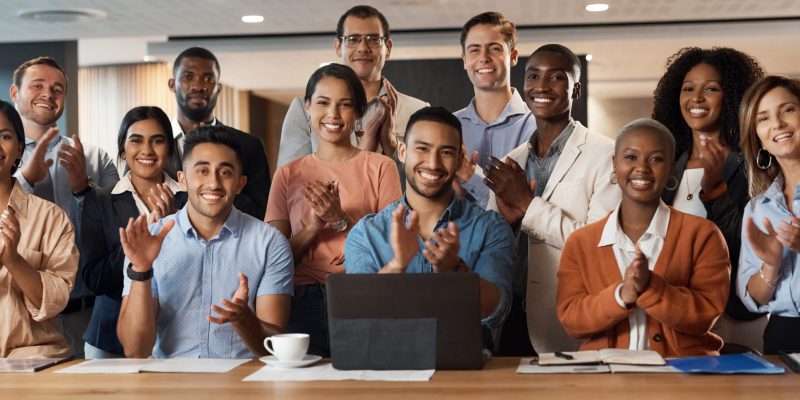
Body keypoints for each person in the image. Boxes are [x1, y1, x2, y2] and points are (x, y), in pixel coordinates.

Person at [485, 44, 619, 353]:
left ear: (576, 90)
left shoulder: (606, 155)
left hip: (565, 319)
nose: (542, 86)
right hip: (508, 321)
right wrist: (507, 222)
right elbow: (493, 248)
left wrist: (528, 206)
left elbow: (599, 245)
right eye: (533, 76)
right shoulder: (511, 162)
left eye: (556, 77)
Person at [557, 118, 730, 357]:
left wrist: (650, 287)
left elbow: (706, 314)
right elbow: (572, 320)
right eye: (630, 157)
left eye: (656, 159)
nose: (642, 168)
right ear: (614, 165)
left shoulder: (703, 235)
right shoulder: (580, 242)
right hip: (605, 377)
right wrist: (622, 295)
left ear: (671, 168)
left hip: (682, 377)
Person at [344, 106, 514, 348]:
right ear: (402, 151)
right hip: (387, 369)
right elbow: (359, 316)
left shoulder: (490, 228)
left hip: (464, 374)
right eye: (422, 149)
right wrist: (396, 265)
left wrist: (456, 272)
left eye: (445, 152)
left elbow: (497, 312)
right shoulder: (365, 233)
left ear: (459, 160)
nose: (433, 163)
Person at [117, 126, 293, 358]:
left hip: (242, 384)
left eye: (226, 173)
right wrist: (141, 269)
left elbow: (274, 348)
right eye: (202, 171)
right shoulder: (150, 240)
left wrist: (244, 319)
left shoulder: (270, 243)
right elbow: (135, 350)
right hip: (171, 384)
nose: (214, 183)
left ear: (240, 184)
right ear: (182, 179)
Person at [266, 64, 402, 357]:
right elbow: (275, 261)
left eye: (345, 105)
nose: (333, 115)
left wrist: (341, 220)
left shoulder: (381, 168)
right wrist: (314, 226)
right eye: (323, 103)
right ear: (308, 108)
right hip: (301, 301)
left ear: (358, 112)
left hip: (362, 295)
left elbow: (392, 252)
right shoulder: (287, 175)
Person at [652, 47, 767, 351]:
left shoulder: (754, 166)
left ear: (732, 98)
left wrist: (715, 191)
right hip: (678, 313)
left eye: (711, 89)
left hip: (735, 313)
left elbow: (756, 247)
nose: (696, 98)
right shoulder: (668, 166)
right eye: (688, 88)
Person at [9, 56, 119, 358]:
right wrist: (25, 181)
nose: (48, 94)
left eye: (57, 89)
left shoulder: (95, 157)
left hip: (85, 313)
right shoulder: (4, 161)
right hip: (17, 317)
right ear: (15, 93)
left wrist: (84, 187)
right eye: (38, 86)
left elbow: (117, 230)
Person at [80, 106, 186, 359]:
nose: (147, 150)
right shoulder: (100, 201)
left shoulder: (188, 200)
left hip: (177, 334)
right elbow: (94, 279)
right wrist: (142, 240)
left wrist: (171, 227)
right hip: (109, 339)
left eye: (157, 141)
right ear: (123, 149)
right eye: (136, 140)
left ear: (169, 149)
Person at [277, 5, 428, 166]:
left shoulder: (417, 110)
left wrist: (393, 148)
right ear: (338, 47)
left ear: (388, 48)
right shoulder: (304, 108)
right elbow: (291, 180)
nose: (363, 48)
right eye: (353, 39)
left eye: (373, 39)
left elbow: (423, 179)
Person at [0, 100, 79, 358]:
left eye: (4, 136)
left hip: (31, 359)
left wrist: (14, 260)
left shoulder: (51, 218)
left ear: (19, 149)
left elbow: (56, 302)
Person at [166, 47, 270, 219]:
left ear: (218, 87)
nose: (198, 86)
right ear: (172, 85)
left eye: (208, 79)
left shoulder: (249, 146)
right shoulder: (149, 147)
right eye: (188, 77)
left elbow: (260, 212)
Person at [738, 76, 800, 354]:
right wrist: (771, 265)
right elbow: (754, 297)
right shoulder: (757, 208)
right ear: (758, 137)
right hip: (781, 336)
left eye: (788, 110)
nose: (777, 124)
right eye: (763, 118)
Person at [454, 12, 535, 208]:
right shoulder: (449, 127)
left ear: (513, 56)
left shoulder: (536, 128)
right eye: (474, 50)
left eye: (494, 49)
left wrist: (469, 176)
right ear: (464, 60)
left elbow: (527, 205)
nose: (484, 58)